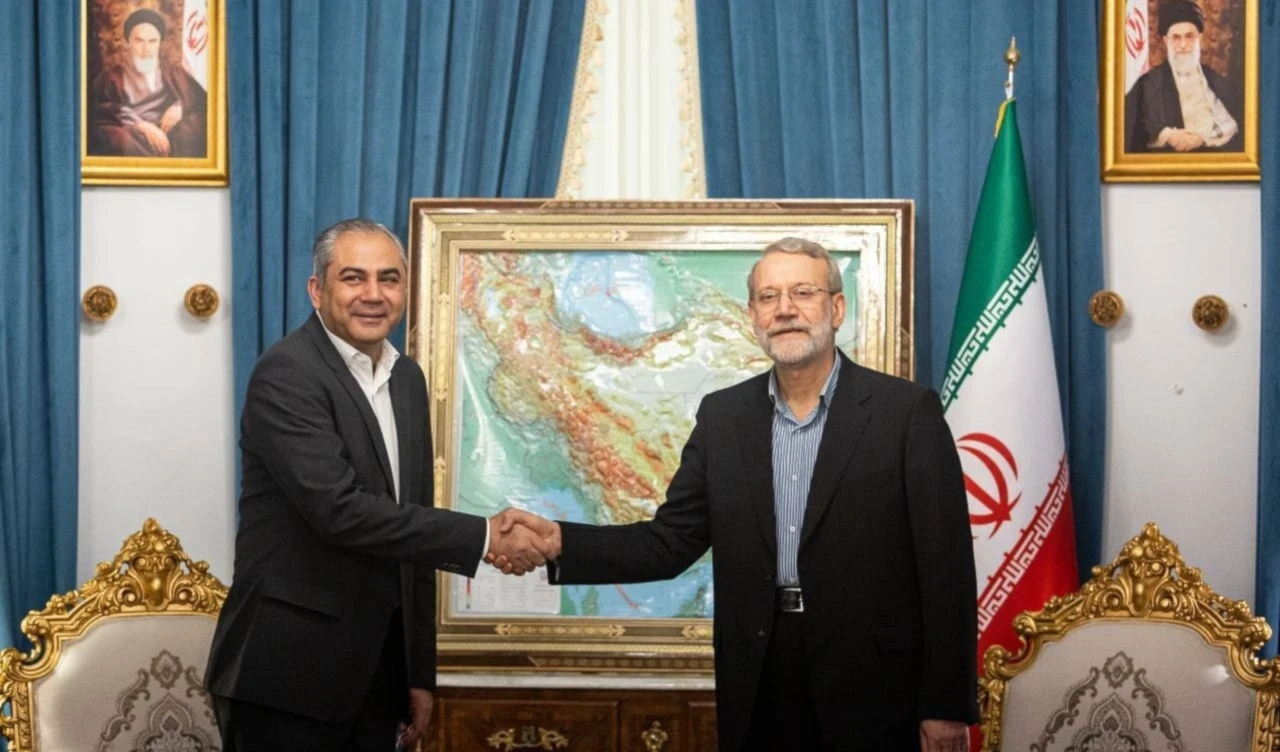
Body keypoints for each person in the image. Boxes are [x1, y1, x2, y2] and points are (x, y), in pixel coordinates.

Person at [496, 238, 978, 751]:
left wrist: (946, 705)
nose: (785, 309)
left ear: (836, 308)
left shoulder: (905, 413)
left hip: (876, 689)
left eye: (802, 292)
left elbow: (945, 568)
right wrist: (558, 542)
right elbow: (670, 541)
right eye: (768, 297)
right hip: (759, 679)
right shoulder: (723, 417)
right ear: (752, 316)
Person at [205, 218, 554, 752]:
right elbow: (340, 511)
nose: (373, 295)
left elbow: (409, 533)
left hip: (378, 678)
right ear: (317, 290)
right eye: (353, 278)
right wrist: (485, 537)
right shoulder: (287, 374)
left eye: (388, 279)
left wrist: (418, 674)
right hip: (287, 680)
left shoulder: (407, 379)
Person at [88, 8, 208, 157]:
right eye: (139, 41)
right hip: (132, 134)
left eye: (152, 41)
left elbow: (199, 99)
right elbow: (102, 109)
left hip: (168, 133)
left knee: (193, 126)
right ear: (128, 42)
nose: (146, 49)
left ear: (160, 43)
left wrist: (180, 107)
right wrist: (142, 126)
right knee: (117, 138)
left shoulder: (173, 73)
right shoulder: (110, 77)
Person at [1125, 0, 1242, 153]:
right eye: (1176, 37)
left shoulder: (1218, 83)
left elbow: (1239, 125)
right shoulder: (1147, 84)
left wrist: (1202, 138)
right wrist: (1166, 135)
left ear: (1199, 38)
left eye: (1189, 36)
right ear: (1166, 41)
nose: (1183, 45)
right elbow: (1132, 126)